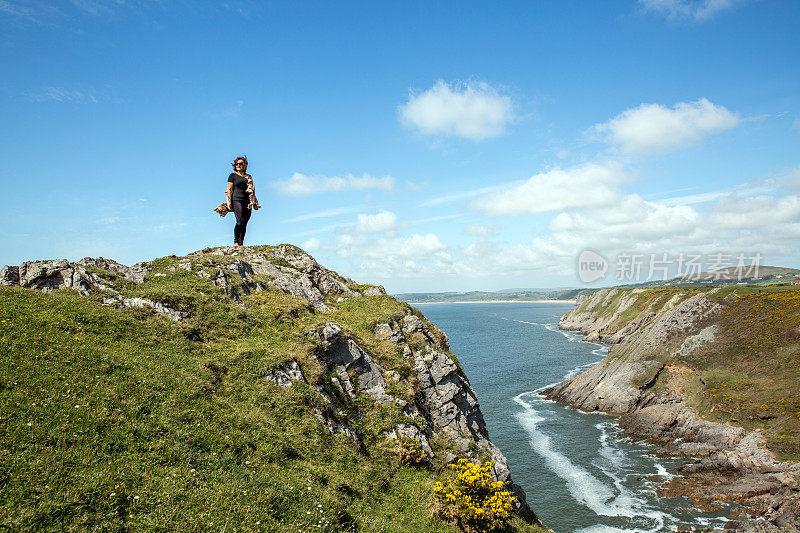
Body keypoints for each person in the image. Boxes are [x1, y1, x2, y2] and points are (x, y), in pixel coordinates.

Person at [222, 155, 260, 248]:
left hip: (247, 202)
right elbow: (229, 189)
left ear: (245, 165)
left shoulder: (249, 177)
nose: (238, 165)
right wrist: (229, 202)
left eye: (240, 164)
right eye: (237, 164)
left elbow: (252, 191)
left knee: (245, 222)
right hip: (236, 200)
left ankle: (241, 242)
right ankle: (236, 241)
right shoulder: (232, 176)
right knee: (240, 220)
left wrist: (255, 202)